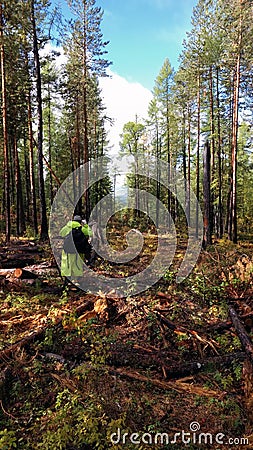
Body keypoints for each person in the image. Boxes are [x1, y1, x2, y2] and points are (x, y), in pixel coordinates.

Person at [60, 215, 92, 286]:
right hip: (78, 250)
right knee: (77, 265)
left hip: (67, 250)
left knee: (68, 265)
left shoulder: (67, 227)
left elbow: (61, 233)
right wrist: (86, 225)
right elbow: (90, 233)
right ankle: (76, 281)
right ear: (80, 221)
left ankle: (68, 281)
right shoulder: (82, 228)